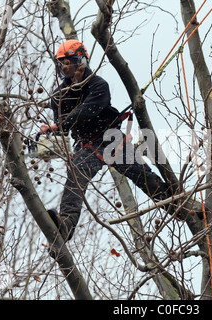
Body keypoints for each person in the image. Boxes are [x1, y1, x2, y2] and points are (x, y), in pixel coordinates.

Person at [40, 39, 172, 242]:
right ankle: (65, 225)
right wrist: (52, 131)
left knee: (141, 175)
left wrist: (60, 125)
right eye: (62, 63)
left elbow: (88, 110)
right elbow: (62, 126)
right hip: (86, 144)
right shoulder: (59, 96)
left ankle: (175, 205)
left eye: (69, 62)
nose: (65, 67)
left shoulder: (98, 85)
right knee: (76, 177)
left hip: (111, 138)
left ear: (81, 61)